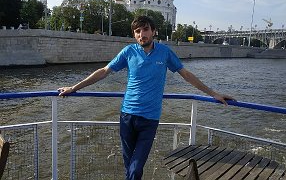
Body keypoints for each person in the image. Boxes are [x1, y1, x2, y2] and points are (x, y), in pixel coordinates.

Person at [58, 15, 234, 180]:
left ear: (153, 31)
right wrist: (73, 88)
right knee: (130, 168)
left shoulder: (165, 53)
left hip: (149, 119)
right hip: (127, 116)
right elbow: (104, 71)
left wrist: (213, 94)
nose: (142, 34)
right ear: (134, 35)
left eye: (145, 29)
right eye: (137, 31)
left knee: (135, 168)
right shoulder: (129, 52)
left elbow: (186, 74)